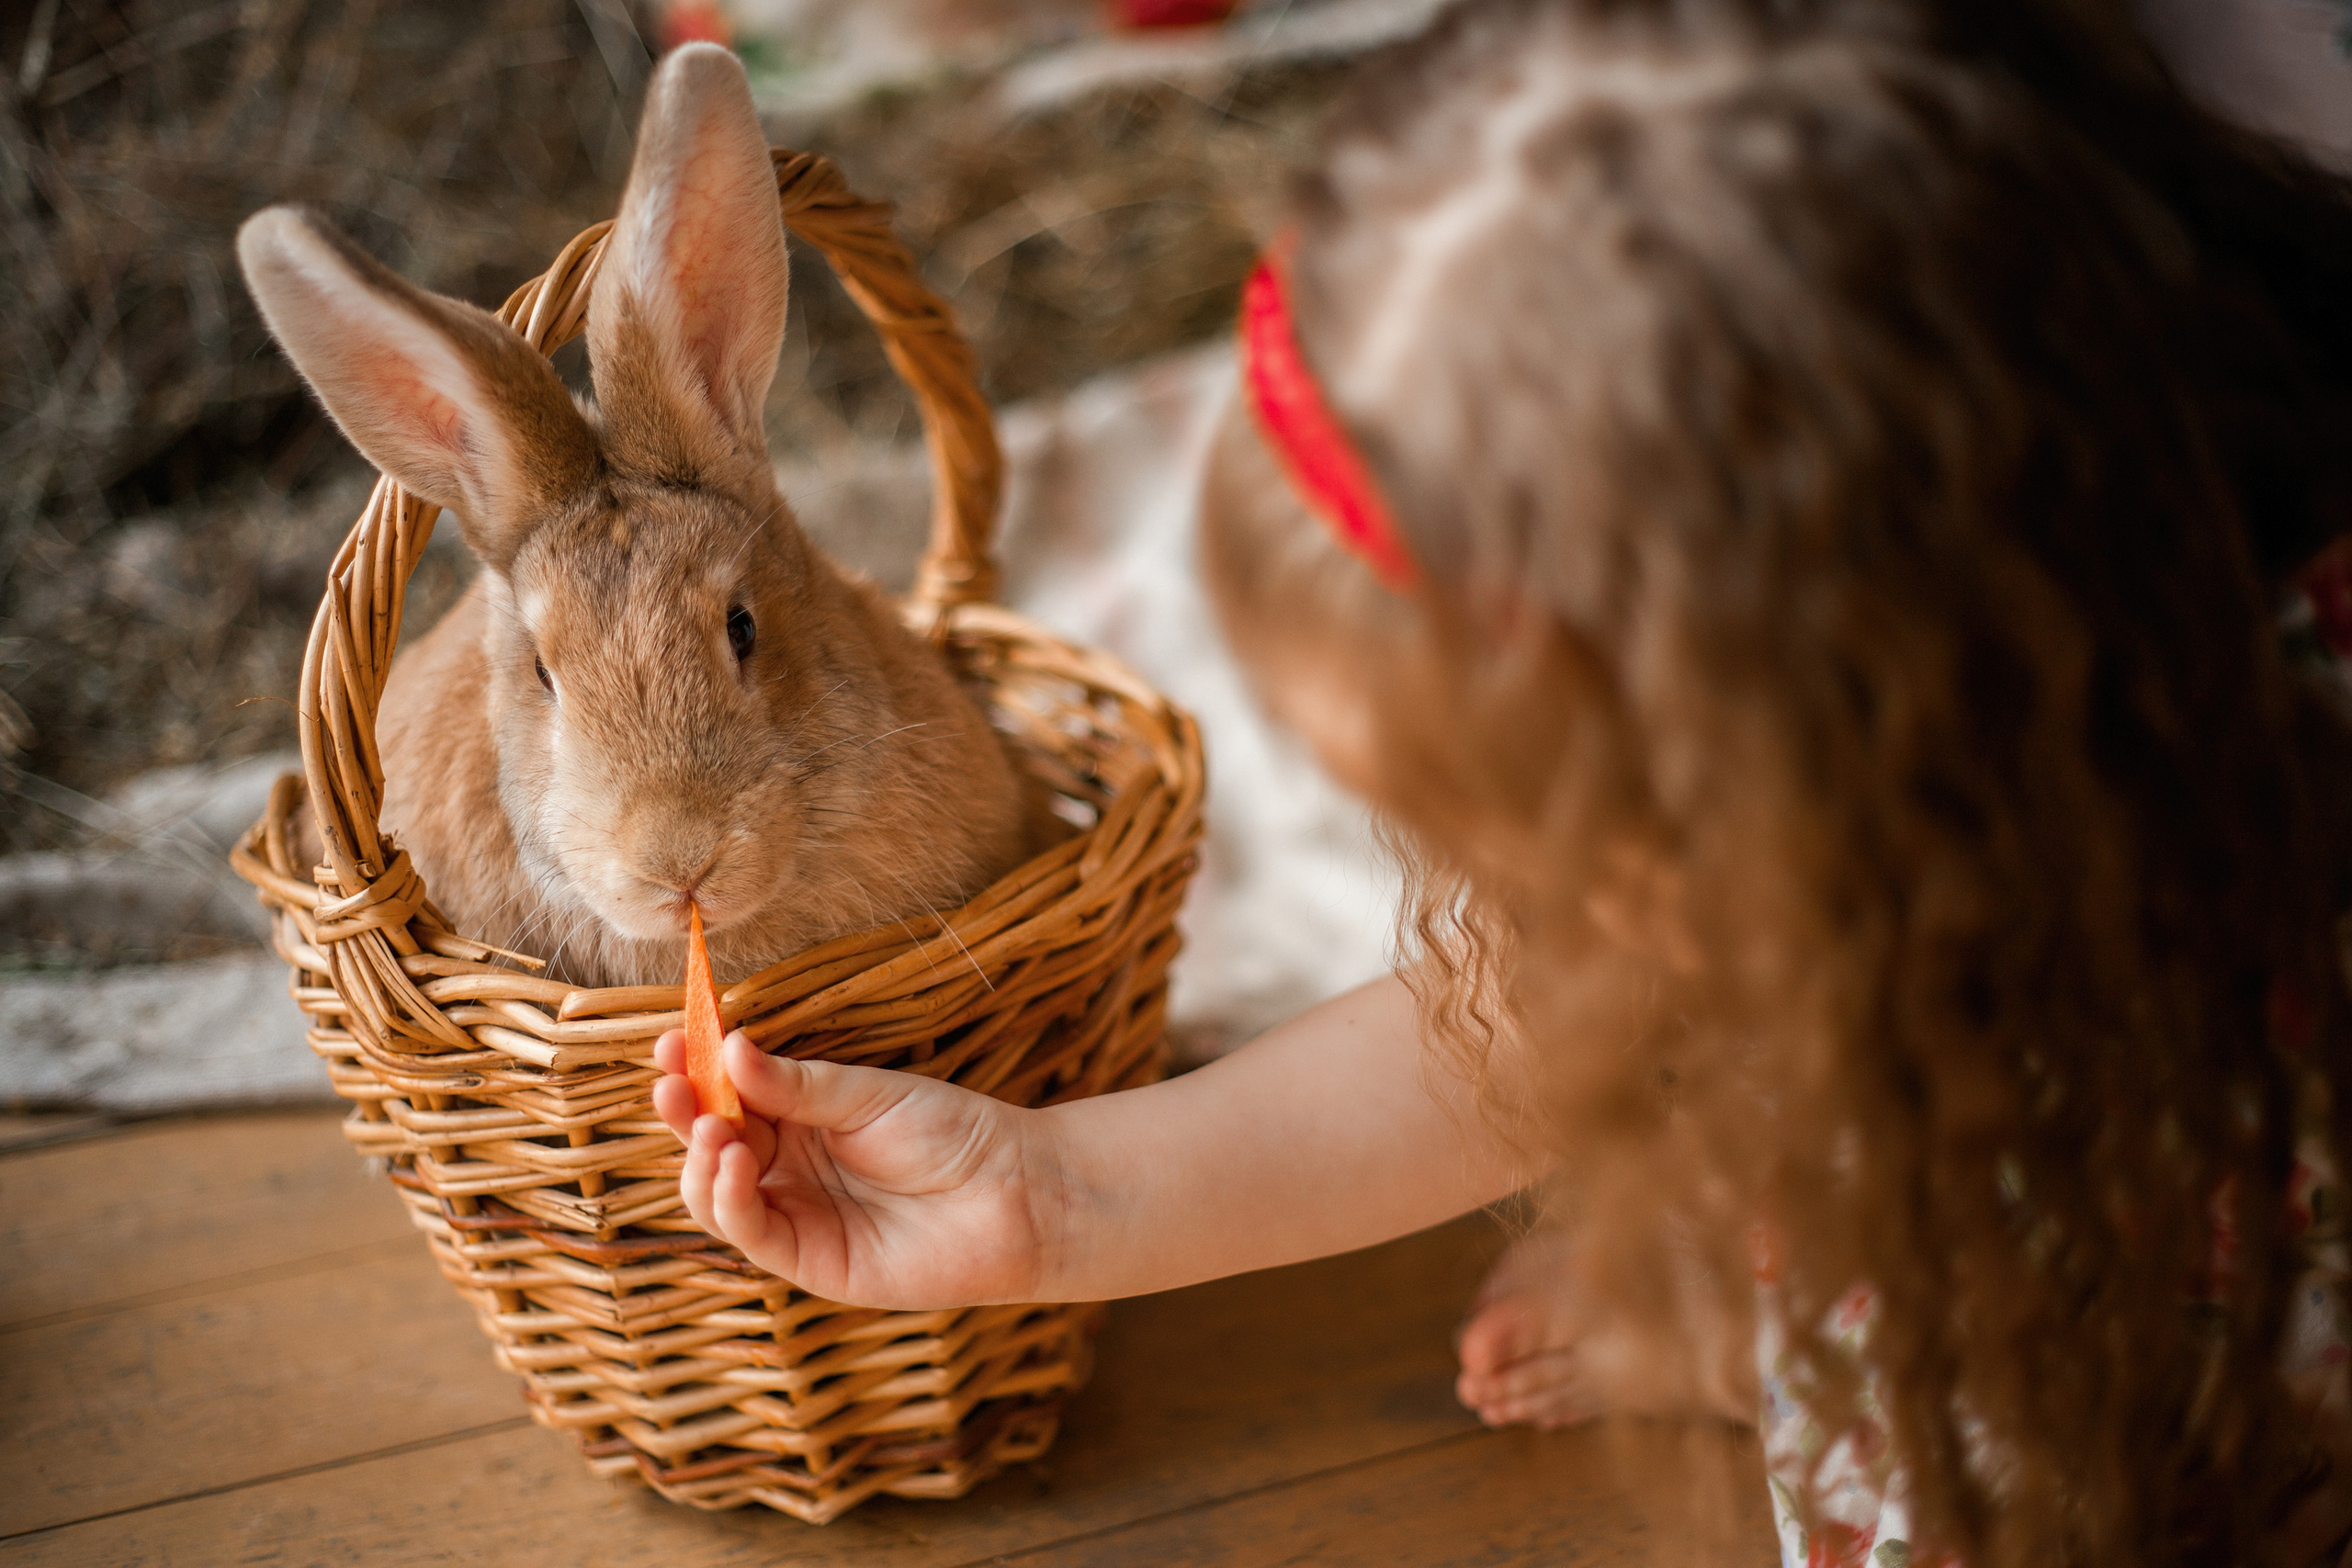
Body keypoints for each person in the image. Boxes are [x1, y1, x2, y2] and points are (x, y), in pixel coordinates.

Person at [653, 0, 2352, 1561]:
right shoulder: (2007, 667)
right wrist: (1060, 1200)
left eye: (1517, 829)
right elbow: (1560, 1000)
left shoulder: (2050, 1297)